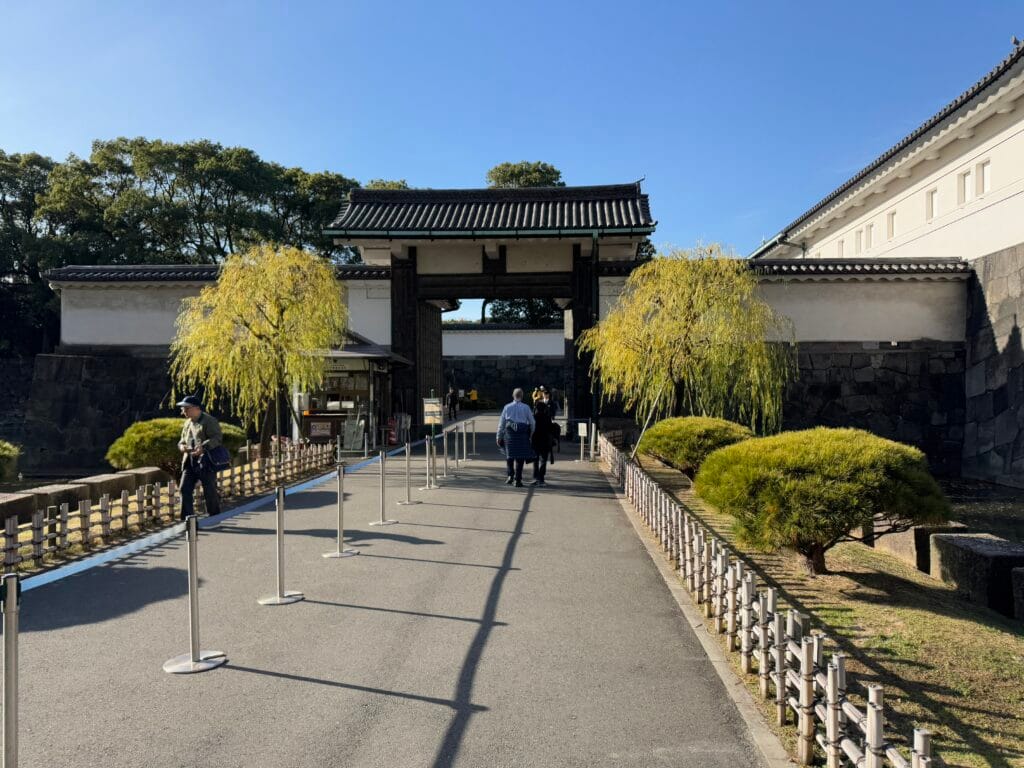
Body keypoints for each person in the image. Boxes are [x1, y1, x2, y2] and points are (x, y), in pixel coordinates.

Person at [176, 395, 224, 520]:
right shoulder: (187, 423)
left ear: (196, 408)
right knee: (184, 488)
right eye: (182, 409)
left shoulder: (209, 421)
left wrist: (203, 447)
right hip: (189, 461)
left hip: (205, 460)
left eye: (186, 408)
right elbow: (182, 440)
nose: (183, 411)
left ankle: (214, 515)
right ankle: (188, 519)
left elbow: (217, 438)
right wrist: (182, 447)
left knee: (209, 489)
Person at [497, 388, 535, 487]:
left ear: (513, 396)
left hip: (510, 435)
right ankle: (518, 480)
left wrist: (499, 436)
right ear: (522, 396)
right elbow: (532, 422)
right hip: (522, 435)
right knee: (520, 458)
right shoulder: (526, 407)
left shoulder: (507, 407)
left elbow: (501, 424)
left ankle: (510, 476)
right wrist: (531, 434)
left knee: (509, 456)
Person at [531, 400, 554, 486]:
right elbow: (551, 429)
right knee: (543, 460)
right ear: (544, 409)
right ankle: (541, 478)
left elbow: (530, 429)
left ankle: (535, 478)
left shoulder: (533, 417)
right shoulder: (547, 418)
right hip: (544, 441)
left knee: (535, 460)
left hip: (535, 441)